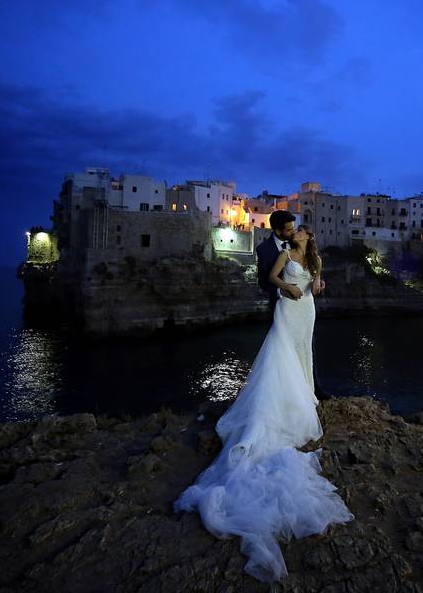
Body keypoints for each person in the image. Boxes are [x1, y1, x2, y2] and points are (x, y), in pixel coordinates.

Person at [173, 224, 354, 582]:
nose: (300, 231)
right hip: (287, 310)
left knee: (303, 352)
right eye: (298, 228)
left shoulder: (314, 256)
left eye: (303, 230)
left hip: (308, 311)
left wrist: (317, 285)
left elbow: (317, 283)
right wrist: (288, 286)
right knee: (281, 353)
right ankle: (284, 401)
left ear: (308, 238)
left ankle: (306, 392)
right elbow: (272, 278)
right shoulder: (286, 253)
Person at [255, 210, 332, 400]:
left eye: (294, 228)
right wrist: (283, 290)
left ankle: (313, 389)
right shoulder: (264, 250)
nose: (292, 231)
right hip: (283, 306)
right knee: (282, 349)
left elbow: (311, 272)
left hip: (305, 307)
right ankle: (281, 393)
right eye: (289, 229)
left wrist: (318, 282)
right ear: (278, 230)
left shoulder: (298, 243)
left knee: (307, 346)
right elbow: (265, 281)